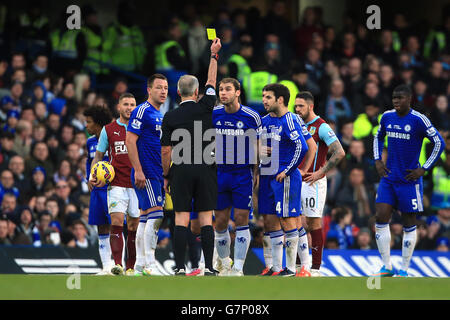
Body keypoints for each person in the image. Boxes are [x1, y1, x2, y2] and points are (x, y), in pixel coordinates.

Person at [160, 38, 222, 276]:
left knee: (180, 219)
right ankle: (208, 268)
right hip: (206, 167)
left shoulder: (170, 117)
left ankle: (178, 267)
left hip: (181, 170)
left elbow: (165, 151)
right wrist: (213, 55)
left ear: (177, 92)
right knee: (206, 219)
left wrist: (167, 174)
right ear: (197, 92)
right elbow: (211, 81)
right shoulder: (206, 104)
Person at [373, 85, 445, 277]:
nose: (396, 101)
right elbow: (378, 137)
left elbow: (439, 143)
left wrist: (424, 168)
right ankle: (387, 266)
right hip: (389, 178)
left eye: (400, 98)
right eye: (394, 98)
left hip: (409, 181)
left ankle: (404, 269)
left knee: (409, 223)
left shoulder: (419, 120)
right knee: (380, 217)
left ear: (409, 99)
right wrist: (378, 160)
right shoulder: (387, 117)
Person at [258, 83, 313, 276]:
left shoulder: (290, 120)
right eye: (263, 96)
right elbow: (258, 147)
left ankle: (294, 267)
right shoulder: (263, 121)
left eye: (268, 97)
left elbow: (303, 147)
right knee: (270, 221)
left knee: (290, 220)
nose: (263, 100)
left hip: (284, 177)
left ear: (280, 100)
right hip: (266, 176)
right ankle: (275, 266)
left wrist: (289, 170)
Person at [212, 77, 261, 276]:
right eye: (221, 90)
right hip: (220, 173)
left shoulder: (251, 116)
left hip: (242, 174)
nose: (223, 93)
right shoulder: (214, 114)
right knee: (221, 222)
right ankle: (224, 263)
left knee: (242, 219)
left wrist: (256, 172)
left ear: (238, 92)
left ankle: (238, 268)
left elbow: (258, 146)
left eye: (227, 89)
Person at [295, 91, 345, 276]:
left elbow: (339, 152)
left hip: (313, 183)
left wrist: (320, 172)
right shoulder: (296, 124)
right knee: (296, 223)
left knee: (313, 223)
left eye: (301, 106)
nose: (297, 109)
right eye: (296, 106)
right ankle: (299, 267)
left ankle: (315, 268)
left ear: (311, 106)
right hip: (296, 180)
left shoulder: (321, 126)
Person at [90, 93, 139, 276]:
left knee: (133, 227)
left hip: (137, 185)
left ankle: (131, 267)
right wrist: (92, 174)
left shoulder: (140, 129)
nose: (129, 108)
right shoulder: (108, 130)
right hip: (116, 184)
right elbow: (98, 156)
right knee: (116, 222)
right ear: (118, 107)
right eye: (126, 104)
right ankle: (117, 264)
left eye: (132, 104)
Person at [126, 74, 168, 276]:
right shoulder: (142, 111)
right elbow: (130, 141)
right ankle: (150, 263)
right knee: (157, 215)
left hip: (156, 172)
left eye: (166, 88)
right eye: (159, 87)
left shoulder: (160, 114)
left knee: (144, 217)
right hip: (147, 171)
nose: (163, 91)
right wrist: (139, 170)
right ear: (149, 90)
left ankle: (140, 265)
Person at [83, 105, 113, 275]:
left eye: (89, 122)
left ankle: (119, 263)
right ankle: (106, 266)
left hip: (112, 189)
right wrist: (89, 177)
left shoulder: (112, 138)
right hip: (97, 191)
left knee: (115, 226)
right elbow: (89, 161)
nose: (86, 126)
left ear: (98, 123)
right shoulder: (90, 142)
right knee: (101, 227)